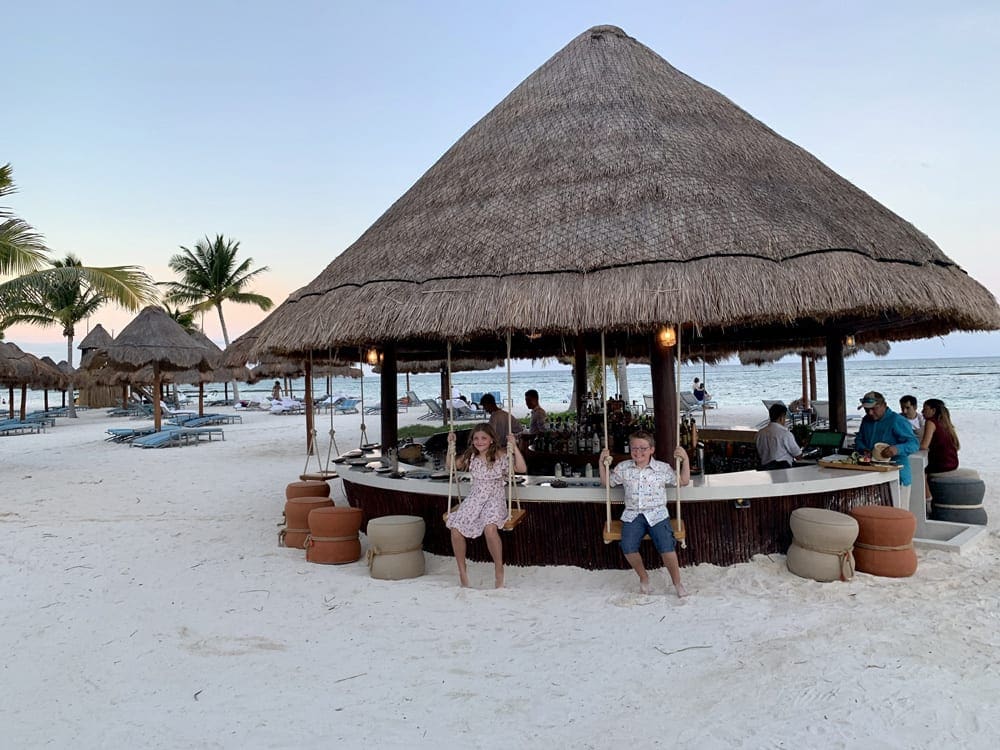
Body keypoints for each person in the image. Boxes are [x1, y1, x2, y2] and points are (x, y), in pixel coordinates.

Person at [599, 431, 690, 598]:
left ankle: (677, 583)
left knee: (666, 547)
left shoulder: (662, 468)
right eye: (634, 448)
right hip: (633, 515)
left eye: (643, 448)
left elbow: (683, 482)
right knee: (627, 546)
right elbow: (607, 484)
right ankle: (644, 578)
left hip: (657, 514)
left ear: (651, 450)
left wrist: (685, 459)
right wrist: (601, 462)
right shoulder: (623, 468)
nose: (638, 451)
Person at [445, 423, 526, 588]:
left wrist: (514, 446)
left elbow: (522, 469)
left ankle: (498, 568)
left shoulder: (501, 455)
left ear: (491, 440)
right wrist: (450, 446)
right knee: (455, 529)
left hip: (495, 499)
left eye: (483, 438)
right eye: (476, 438)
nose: (479, 441)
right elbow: (451, 467)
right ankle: (462, 571)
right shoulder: (471, 456)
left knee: (490, 529)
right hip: (475, 498)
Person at [854, 391, 920, 508]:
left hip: (898, 475)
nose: (870, 412)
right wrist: (863, 449)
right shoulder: (866, 420)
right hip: (873, 474)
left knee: (898, 515)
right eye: (866, 410)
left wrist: (897, 449)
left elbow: (914, 443)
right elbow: (859, 439)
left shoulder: (896, 420)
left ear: (884, 405)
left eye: (873, 409)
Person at [920, 399, 960, 496]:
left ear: (933, 411)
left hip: (941, 464)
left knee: (919, 472)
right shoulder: (945, 423)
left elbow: (924, 445)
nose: (922, 412)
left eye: (925, 409)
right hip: (952, 462)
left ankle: (928, 499)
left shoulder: (931, 422)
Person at [755, 403, 802, 470]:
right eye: (785, 417)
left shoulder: (760, 433)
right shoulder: (785, 434)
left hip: (765, 469)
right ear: (781, 417)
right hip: (783, 470)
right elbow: (798, 456)